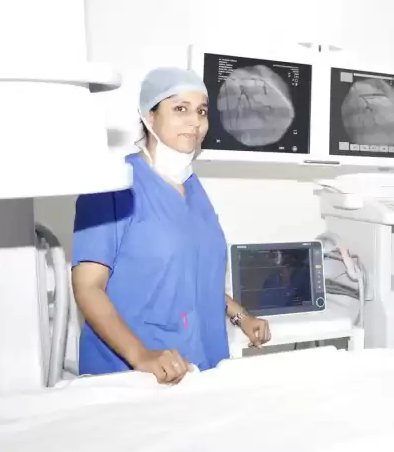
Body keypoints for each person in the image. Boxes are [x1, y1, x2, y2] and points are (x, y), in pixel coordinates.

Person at [72, 67, 272, 384]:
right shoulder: (112, 186)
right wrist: (141, 355)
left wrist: (240, 316)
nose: (195, 121)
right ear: (149, 117)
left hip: (201, 365)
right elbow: (87, 287)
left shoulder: (193, 188)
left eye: (201, 111)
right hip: (131, 376)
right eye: (180, 109)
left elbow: (191, 276)